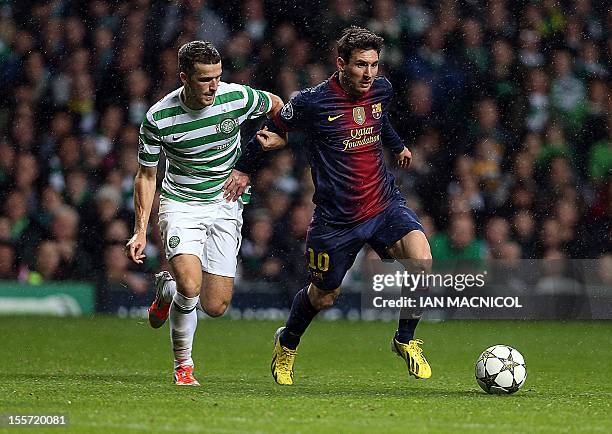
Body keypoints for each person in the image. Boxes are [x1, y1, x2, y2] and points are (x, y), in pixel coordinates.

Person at [224, 27, 433, 385]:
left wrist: (397, 146)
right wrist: (244, 168)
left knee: (422, 262)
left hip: (383, 205)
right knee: (324, 296)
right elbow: (270, 129)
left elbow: (379, 119)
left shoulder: (381, 89)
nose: (369, 74)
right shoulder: (312, 101)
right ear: (341, 64)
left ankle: (405, 339)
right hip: (336, 222)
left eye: (374, 65)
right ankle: (287, 342)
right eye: (361, 65)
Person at [126, 40, 285, 386]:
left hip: (226, 204)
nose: (214, 86)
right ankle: (184, 366)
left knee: (215, 305)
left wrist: (253, 160)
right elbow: (147, 174)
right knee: (191, 285)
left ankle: (166, 290)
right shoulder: (159, 118)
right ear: (184, 77)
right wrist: (140, 230)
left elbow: (278, 106)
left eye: (217, 77)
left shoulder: (236, 97)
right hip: (181, 203)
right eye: (204, 79)